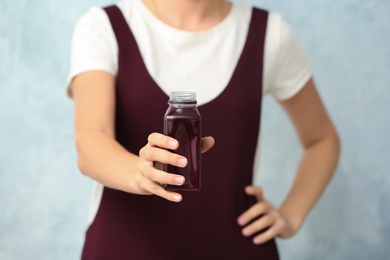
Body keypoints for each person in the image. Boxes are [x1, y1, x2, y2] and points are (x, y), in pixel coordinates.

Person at [67, 0, 340, 259]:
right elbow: (91, 139)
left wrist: (290, 216)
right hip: (122, 249)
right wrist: (140, 173)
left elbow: (322, 139)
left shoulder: (270, 34)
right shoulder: (103, 27)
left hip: (236, 249)